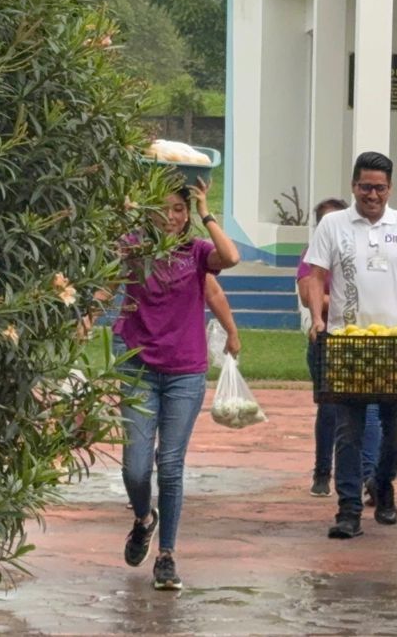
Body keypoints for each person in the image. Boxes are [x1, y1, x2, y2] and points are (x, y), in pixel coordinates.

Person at [111, 180, 241, 590]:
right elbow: (105, 284)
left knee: (170, 464)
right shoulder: (133, 247)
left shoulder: (198, 252)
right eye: (163, 208)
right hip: (137, 367)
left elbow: (231, 259)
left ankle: (167, 555)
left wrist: (206, 211)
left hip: (185, 370)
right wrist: (85, 316)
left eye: (179, 209)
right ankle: (143, 519)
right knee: (135, 467)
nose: (172, 217)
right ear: (148, 210)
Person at [303, 151, 397, 539]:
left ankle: (383, 483)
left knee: (396, 429)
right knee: (348, 428)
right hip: (348, 343)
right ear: (353, 186)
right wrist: (317, 319)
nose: (372, 195)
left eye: (379, 187)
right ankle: (348, 509)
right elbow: (315, 275)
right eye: (365, 187)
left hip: (395, 344)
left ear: (390, 188)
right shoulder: (333, 224)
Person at [297, 196, 382, 499]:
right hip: (327, 341)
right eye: (326, 223)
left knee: (371, 409)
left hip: (365, 340)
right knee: (332, 409)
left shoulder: (364, 248)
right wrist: (353, 300)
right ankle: (322, 471)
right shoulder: (311, 257)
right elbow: (312, 297)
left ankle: (369, 476)